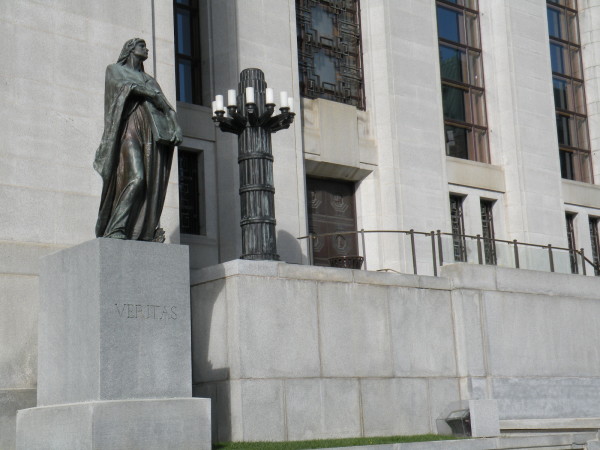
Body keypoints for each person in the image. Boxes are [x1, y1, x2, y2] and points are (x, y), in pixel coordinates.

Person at [93, 38, 182, 242]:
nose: (146, 49)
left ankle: (142, 231)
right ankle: (116, 228)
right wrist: (149, 94)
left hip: (150, 132)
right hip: (128, 128)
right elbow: (122, 88)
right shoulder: (114, 70)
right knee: (137, 177)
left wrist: (176, 127)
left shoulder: (150, 79)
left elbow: (167, 107)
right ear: (130, 49)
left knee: (150, 182)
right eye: (142, 46)